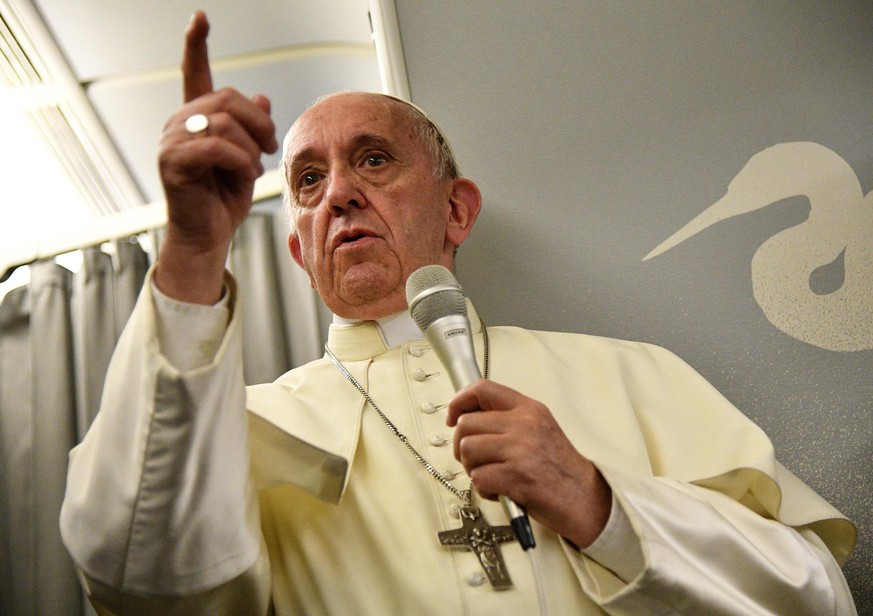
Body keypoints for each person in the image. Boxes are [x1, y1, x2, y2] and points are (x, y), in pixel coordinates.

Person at [60, 11, 858, 615]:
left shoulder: (629, 372)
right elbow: (139, 583)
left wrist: (600, 504)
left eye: (373, 159)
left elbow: (817, 591)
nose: (338, 192)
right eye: (306, 181)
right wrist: (194, 250)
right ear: (301, 255)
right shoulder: (231, 428)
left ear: (456, 210)